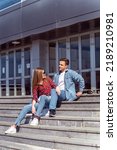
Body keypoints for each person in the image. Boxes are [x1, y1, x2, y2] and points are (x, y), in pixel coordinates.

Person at [5, 67, 58, 134]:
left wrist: (57, 89)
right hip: (41, 102)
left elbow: (54, 86)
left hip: (49, 100)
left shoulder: (47, 79)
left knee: (43, 97)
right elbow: (35, 97)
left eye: (45, 72)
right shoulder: (36, 85)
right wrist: (33, 106)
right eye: (43, 73)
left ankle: (36, 117)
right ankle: (14, 126)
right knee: (26, 107)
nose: (45, 74)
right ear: (38, 75)